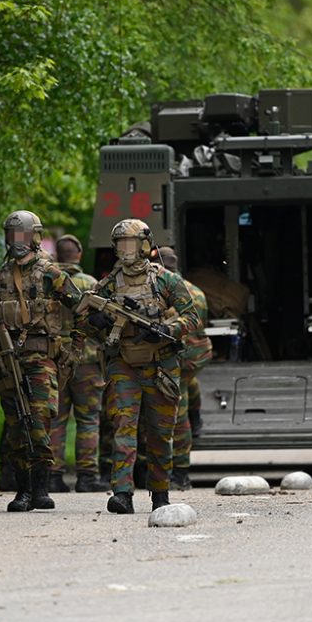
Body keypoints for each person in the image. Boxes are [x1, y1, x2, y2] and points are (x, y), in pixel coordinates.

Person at [82, 219, 199, 514]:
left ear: (145, 245)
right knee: (123, 427)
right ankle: (122, 493)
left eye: (131, 244)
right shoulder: (108, 284)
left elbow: (192, 317)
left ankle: (160, 492)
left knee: (160, 433)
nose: (127, 250)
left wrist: (167, 330)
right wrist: (95, 323)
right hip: (125, 365)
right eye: (121, 244)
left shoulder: (165, 280)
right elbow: (84, 321)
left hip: (161, 365)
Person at [0, 210, 84, 512]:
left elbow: (82, 308)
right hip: (9, 360)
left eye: (23, 237)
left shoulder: (51, 274)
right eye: (12, 237)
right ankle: (23, 490)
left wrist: (74, 348)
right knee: (16, 424)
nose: (17, 243)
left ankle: (41, 487)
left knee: (39, 421)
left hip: (42, 358)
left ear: (35, 238)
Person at [49, 234, 108, 493]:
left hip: (55, 360)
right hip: (87, 362)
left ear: (58, 256)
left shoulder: (46, 282)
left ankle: (53, 476)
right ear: (79, 255)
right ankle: (86, 477)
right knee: (88, 420)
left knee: (55, 420)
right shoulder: (91, 284)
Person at [152, 246, 213, 491]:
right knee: (188, 386)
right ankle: (197, 416)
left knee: (178, 415)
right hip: (197, 355)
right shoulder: (196, 290)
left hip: (177, 357)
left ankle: (180, 472)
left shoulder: (161, 290)